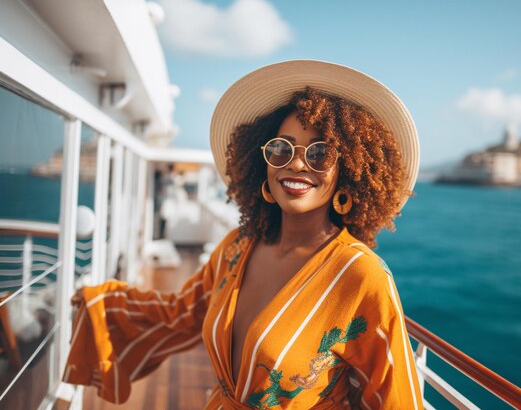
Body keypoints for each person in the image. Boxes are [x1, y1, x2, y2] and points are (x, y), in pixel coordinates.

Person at [64, 60, 423, 410]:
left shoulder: (362, 277)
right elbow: (183, 314)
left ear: (349, 172)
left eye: (320, 153)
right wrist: (102, 302)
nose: (296, 163)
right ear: (263, 160)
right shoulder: (238, 247)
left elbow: (396, 398)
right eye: (282, 148)